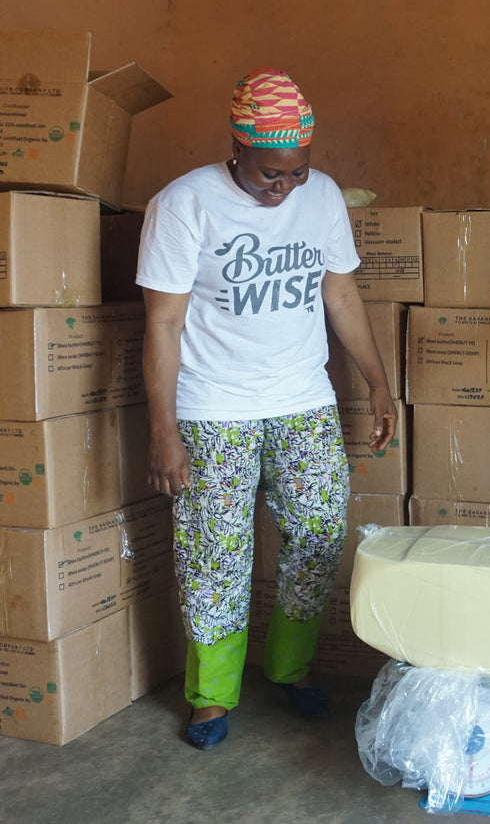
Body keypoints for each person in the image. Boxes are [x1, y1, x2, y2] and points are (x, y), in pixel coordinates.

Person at [137, 68, 398, 751]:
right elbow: (162, 326)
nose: (282, 188)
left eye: (296, 172)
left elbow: (340, 295)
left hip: (302, 401)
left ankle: (291, 667)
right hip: (212, 407)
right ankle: (212, 695)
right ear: (237, 146)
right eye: (268, 175)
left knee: (316, 534)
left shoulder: (323, 199)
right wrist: (163, 431)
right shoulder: (184, 204)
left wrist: (376, 379)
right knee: (213, 554)